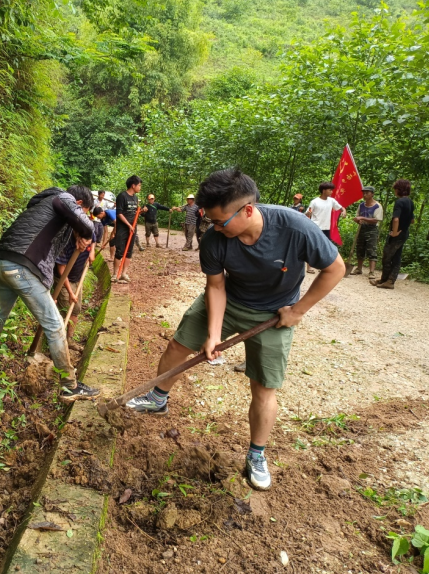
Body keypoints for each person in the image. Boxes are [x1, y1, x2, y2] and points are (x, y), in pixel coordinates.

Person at [125, 169, 345, 491]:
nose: (214, 228)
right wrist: (214, 334)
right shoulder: (215, 240)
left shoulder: (295, 227)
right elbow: (216, 287)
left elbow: (335, 268)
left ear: (248, 210)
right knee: (178, 344)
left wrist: (298, 311)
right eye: (210, 221)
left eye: (219, 222)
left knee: (264, 386)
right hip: (230, 300)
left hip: (275, 313)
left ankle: (256, 454)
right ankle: (158, 398)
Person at [0, 185, 101, 402]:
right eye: (84, 212)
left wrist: (78, 233)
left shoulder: (42, 206)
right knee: (55, 325)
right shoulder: (63, 197)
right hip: (21, 269)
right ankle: (69, 386)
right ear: (78, 205)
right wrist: (87, 232)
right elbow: (86, 224)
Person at [56, 222, 100, 349]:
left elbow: (93, 240)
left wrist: (91, 251)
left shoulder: (89, 231)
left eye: (87, 243)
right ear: (76, 235)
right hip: (64, 280)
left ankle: (69, 340)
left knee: (75, 310)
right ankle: (58, 342)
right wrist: (70, 292)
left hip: (77, 277)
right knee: (66, 310)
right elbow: (62, 271)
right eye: (82, 243)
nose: (85, 246)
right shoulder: (65, 242)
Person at [371, 179, 415, 289]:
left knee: (387, 257)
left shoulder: (399, 202)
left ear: (399, 189)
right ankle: (385, 280)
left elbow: (396, 219)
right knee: (396, 257)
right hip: (404, 233)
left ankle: (389, 281)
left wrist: (395, 232)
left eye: (395, 189)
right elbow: (412, 220)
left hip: (396, 235)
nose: (394, 191)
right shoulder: (410, 202)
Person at [305, 182, 344, 273]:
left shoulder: (331, 201)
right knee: (313, 247)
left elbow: (341, 208)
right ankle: (309, 267)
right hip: (315, 227)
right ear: (324, 191)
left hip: (326, 227)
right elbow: (307, 213)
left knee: (325, 247)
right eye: (330, 190)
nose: (331, 192)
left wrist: (343, 211)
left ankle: (323, 266)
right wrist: (308, 213)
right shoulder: (314, 202)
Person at [114, 175, 142, 283]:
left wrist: (141, 212)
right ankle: (115, 274)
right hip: (123, 227)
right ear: (133, 185)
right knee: (120, 250)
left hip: (132, 227)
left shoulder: (135, 198)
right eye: (139, 185)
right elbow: (119, 213)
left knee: (129, 251)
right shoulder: (122, 196)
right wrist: (128, 225)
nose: (140, 187)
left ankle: (124, 273)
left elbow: (134, 212)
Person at [352, 186, 383, 279]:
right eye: (364, 193)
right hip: (362, 228)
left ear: (372, 194)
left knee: (371, 249)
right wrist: (358, 220)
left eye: (367, 193)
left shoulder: (377, 206)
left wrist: (362, 218)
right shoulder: (361, 205)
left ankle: (371, 272)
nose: (365, 195)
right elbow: (357, 216)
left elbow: (376, 220)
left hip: (372, 229)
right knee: (360, 248)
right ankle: (359, 268)